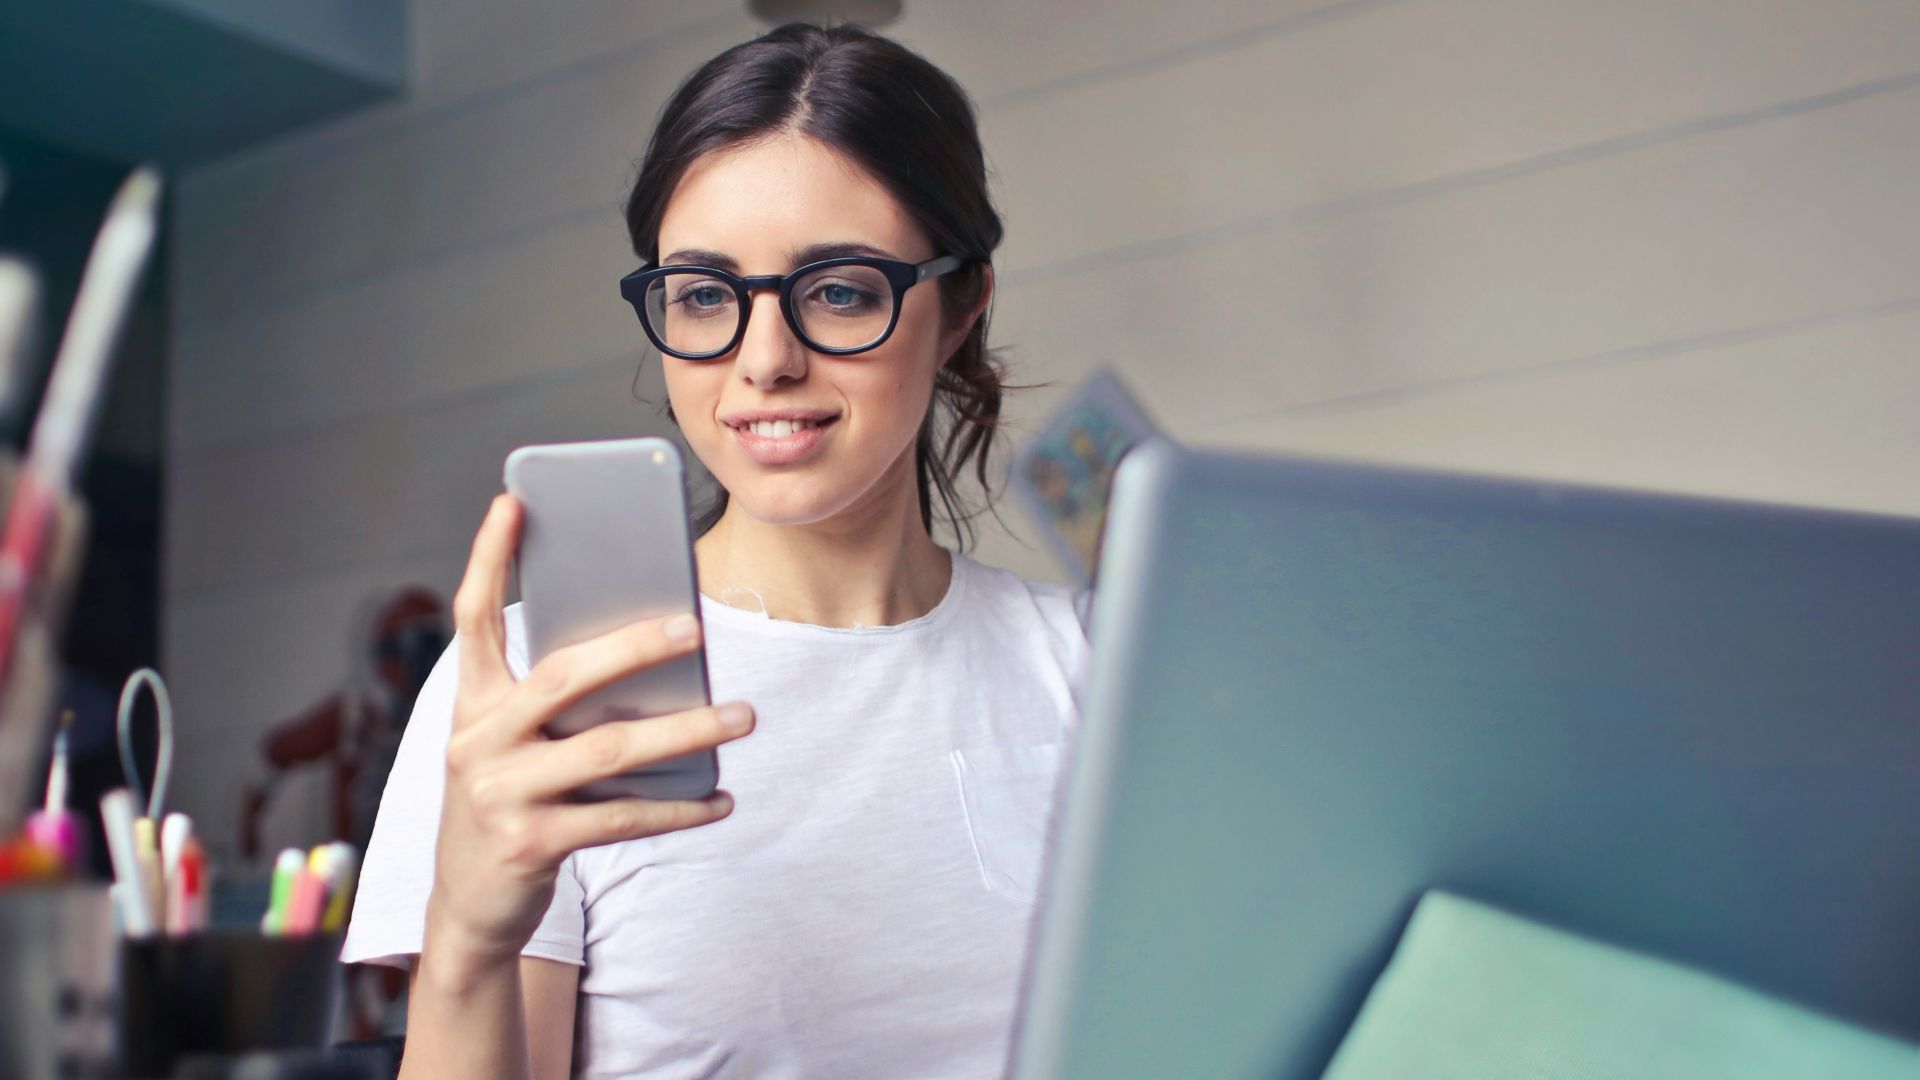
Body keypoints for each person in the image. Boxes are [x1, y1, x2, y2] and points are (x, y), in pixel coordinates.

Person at [340, 21, 1087, 1080]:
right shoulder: (530, 693)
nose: (764, 360)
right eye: (704, 296)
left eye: (839, 289)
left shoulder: (1096, 668)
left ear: (961, 305)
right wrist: (465, 941)